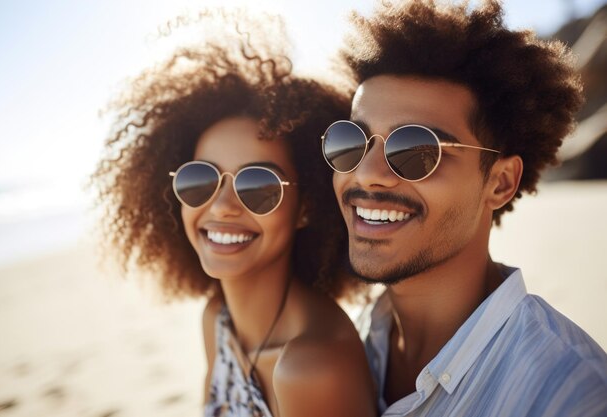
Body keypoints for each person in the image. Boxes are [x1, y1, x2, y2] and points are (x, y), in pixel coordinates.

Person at [320, 1, 607, 416]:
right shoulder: (352, 337)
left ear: (500, 182)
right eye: (351, 141)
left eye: (416, 149)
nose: (367, 175)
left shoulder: (571, 397)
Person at [91, 11, 375, 417]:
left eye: (258, 186)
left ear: (306, 207)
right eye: (199, 181)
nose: (222, 206)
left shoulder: (312, 367)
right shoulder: (218, 322)